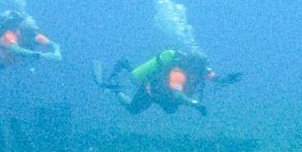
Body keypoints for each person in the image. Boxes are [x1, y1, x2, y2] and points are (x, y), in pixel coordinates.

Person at [96, 49, 236, 117]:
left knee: (171, 110)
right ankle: (116, 89)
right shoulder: (178, 74)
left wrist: (226, 80)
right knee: (133, 109)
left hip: (165, 96)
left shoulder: (201, 70)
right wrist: (195, 104)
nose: (204, 71)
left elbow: (213, 77)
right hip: (151, 91)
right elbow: (177, 95)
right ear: (192, 65)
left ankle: (128, 67)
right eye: (201, 68)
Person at [0, 10, 61, 74]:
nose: (34, 36)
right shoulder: (8, 36)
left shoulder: (35, 36)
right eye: (30, 34)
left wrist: (57, 52)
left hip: (9, 62)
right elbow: (18, 50)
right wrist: (41, 55)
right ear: (20, 31)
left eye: (34, 33)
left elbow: (54, 45)